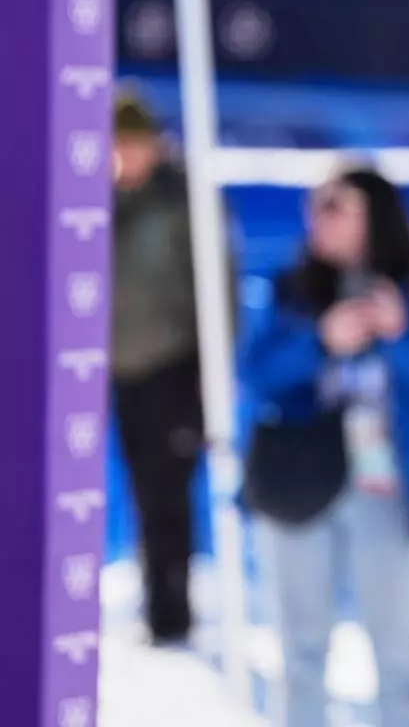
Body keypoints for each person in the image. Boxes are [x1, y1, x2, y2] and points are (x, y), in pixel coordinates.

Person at [239, 167, 409, 727]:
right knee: (299, 651)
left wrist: (402, 334)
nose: (317, 216)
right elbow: (255, 375)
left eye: (335, 205)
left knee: (397, 653)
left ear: (374, 214)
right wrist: (320, 340)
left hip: (390, 487)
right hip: (299, 483)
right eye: (315, 204)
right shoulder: (289, 288)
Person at [110, 92, 207, 645]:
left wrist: (207, 374)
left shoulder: (179, 197)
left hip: (171, 365)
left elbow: (213, 285)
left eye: (130, 145)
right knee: (141, 490)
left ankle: (173, 610)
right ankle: (154, 599)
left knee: (168, 491)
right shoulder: (101, 201)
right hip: (120, 368)